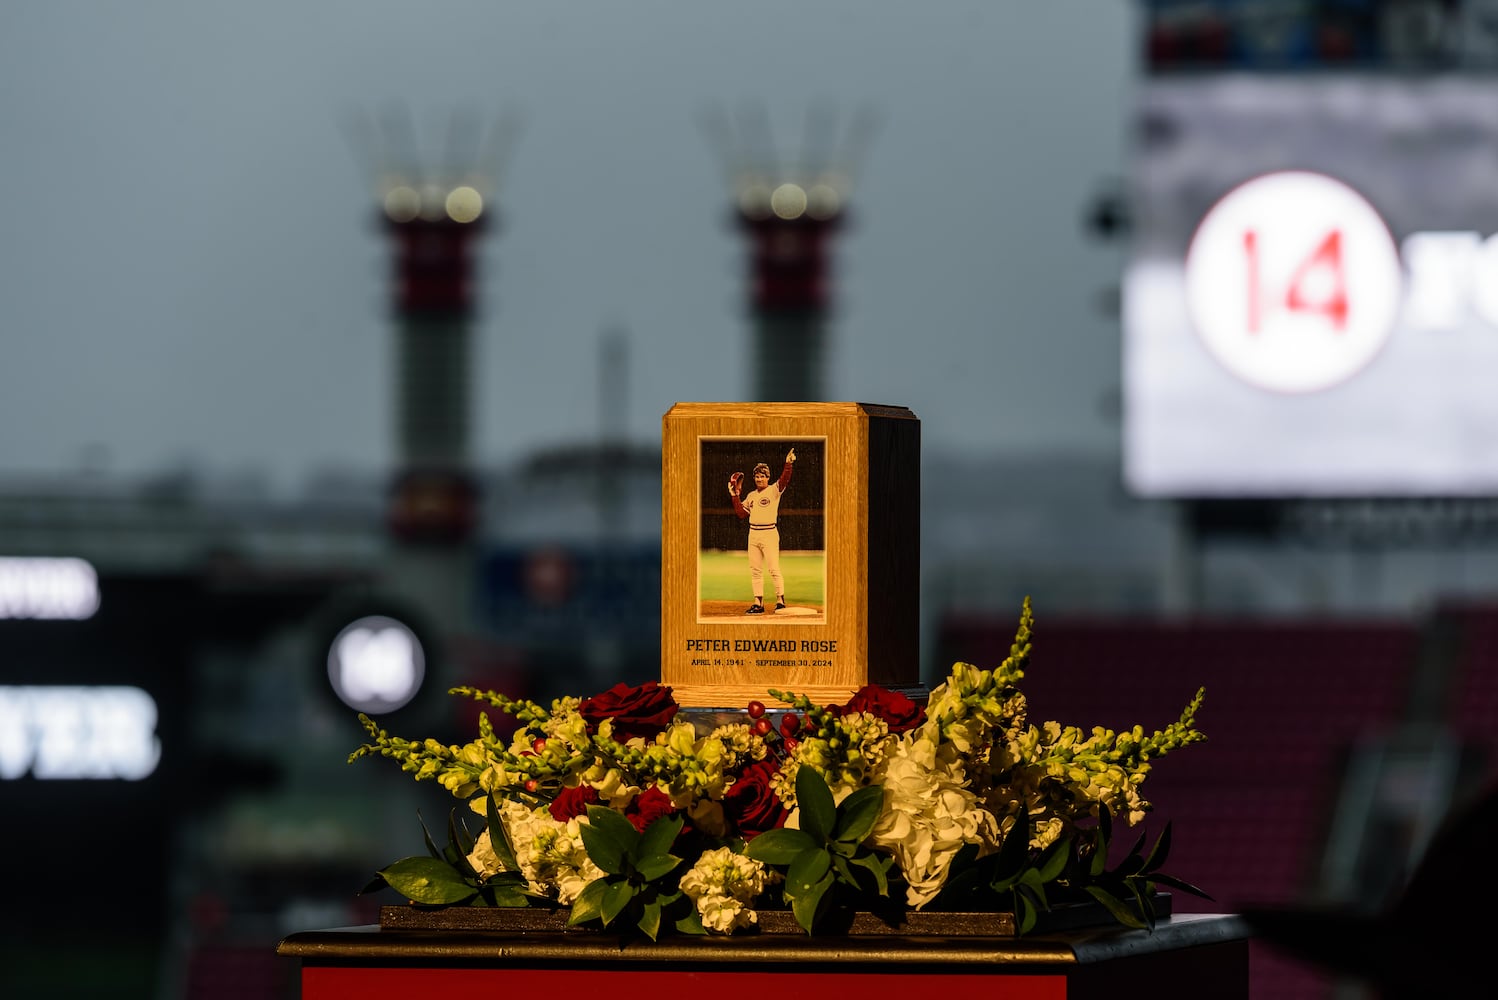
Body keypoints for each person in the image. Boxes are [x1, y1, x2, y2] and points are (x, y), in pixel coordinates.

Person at [728, 448, 795, 614]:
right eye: (757, 476)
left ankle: (780, 600)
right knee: (755, 570)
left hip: (769, 533)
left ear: (768, 477)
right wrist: (734, 496)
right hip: (753, 534)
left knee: (773, 568)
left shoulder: (773, 490)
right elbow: (741, 514)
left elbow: (784, 480)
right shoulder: (751, 495)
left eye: (762, 476)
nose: (759, 479)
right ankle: (758, 603)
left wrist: (788, 464)